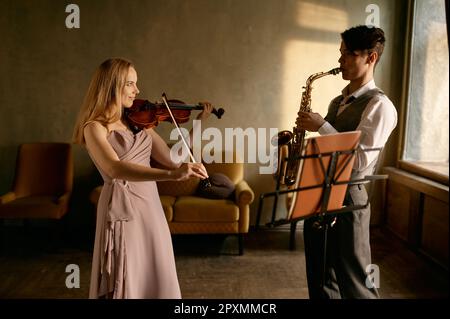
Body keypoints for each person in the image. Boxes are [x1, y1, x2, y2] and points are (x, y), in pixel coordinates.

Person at [72, 57, 212, 299]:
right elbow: (115, 168)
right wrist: (171, 175)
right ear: (112, 85)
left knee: (157, 268)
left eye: (136, 84)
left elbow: (172, 158)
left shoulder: (138, 121)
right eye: (130, 84)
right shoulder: (94, 127)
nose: (137, 90)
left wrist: (198, 124)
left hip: (150, 206)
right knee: (127, 270)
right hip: (122, 208)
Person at [297, 25, 397, 299]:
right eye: (341, 53)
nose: (340, 61)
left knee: (356, 283)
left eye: (348, 54)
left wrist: (322, 126)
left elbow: (360, 161)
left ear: (371, 57)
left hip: (349, 200)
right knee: (320, 280)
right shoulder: (337, 101)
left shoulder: (380, 106)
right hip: (319, 195)